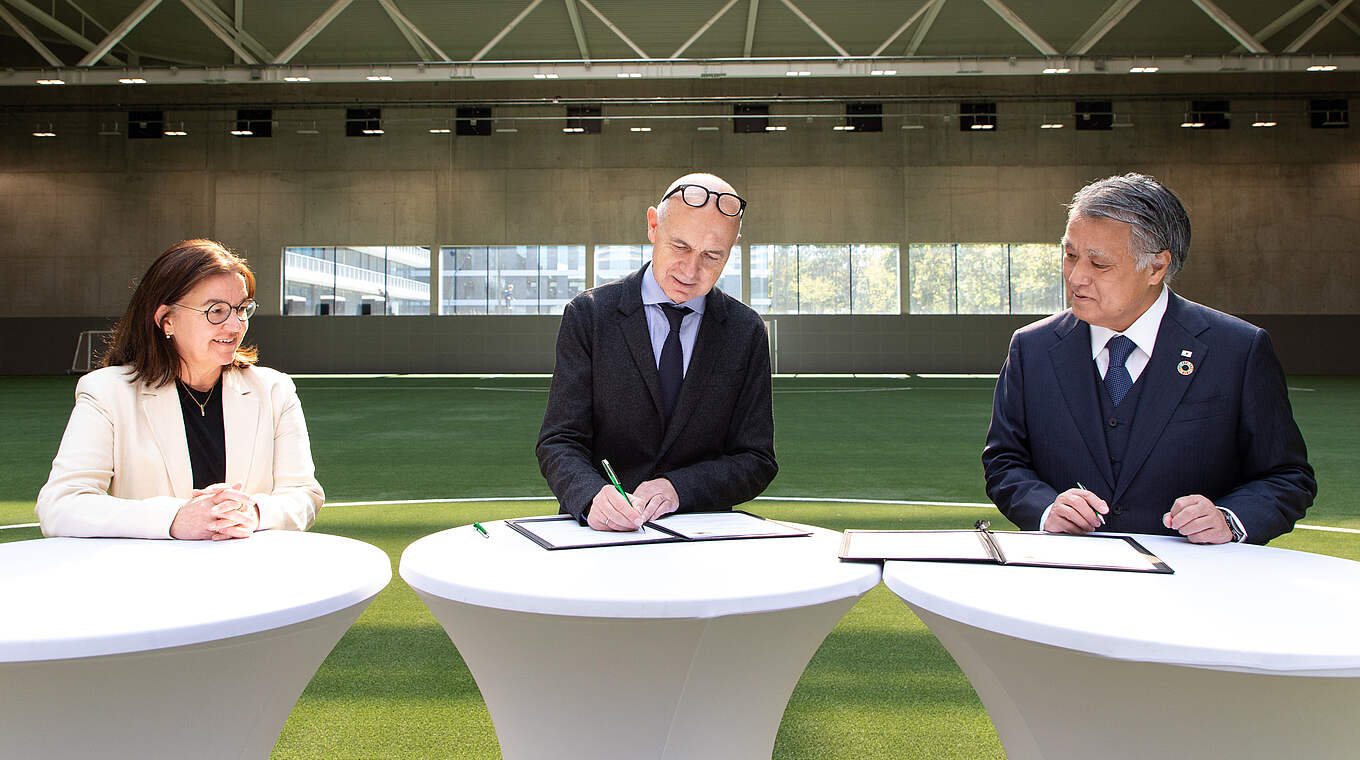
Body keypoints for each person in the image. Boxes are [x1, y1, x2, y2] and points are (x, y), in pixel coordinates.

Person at [982, 173, 1315, 545]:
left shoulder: (1238, 349)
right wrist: (1044, 509)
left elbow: (1287, 476)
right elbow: (1004, 462)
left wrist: (1229, 520)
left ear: (1156, 267)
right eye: (1070, 255)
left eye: (1099, 264)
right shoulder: (1032, 348)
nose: (1076, 277)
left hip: (1197, 584)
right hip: (1067, 579)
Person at [537, 173, 777, 531]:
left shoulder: (746, 331)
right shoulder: (589, 315)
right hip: (597, 536)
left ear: (733, 246)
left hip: (701, 537)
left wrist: (679, 488)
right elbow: (559, 440)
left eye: (712, 256)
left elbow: (756, 459)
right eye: (679, 246)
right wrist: (591, 495)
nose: (690, 270)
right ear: (653, 225)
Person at [36, 239, 323, 539]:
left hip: (244, 575)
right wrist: (174, 518)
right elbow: (60, 506)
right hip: (150, 578)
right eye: (216, 311)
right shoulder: (107, 392)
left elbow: (303, 494)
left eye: (241, 309)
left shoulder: (274, 390)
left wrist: (253, 512)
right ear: (166, 320)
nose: (235, 325)